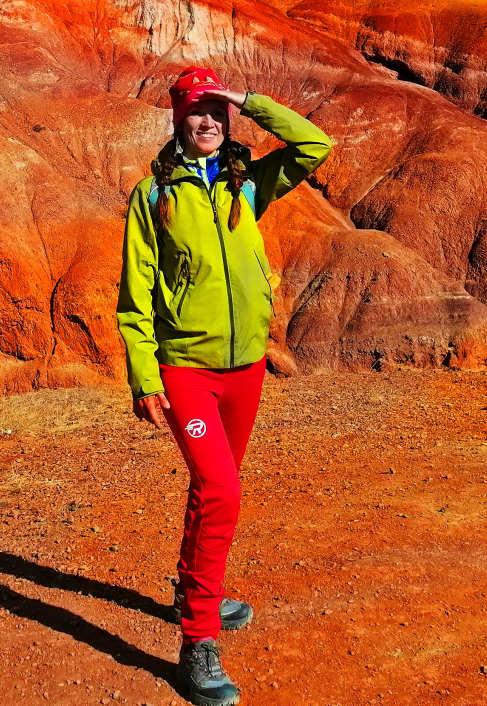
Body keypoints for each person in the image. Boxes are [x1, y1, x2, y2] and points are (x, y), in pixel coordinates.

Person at [117, 66, 334, 706]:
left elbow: (314, 146)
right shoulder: (153, 196)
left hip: (245, 369)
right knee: (220, 488)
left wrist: (249, 100)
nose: (207, 121)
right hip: (186, 366)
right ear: (176, 119)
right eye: (195, 110)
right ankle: (198, 639)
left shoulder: (247, 184)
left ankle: (192, 587)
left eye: (216, 111)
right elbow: (135, 294)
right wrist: (143, 374)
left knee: (213, 489)